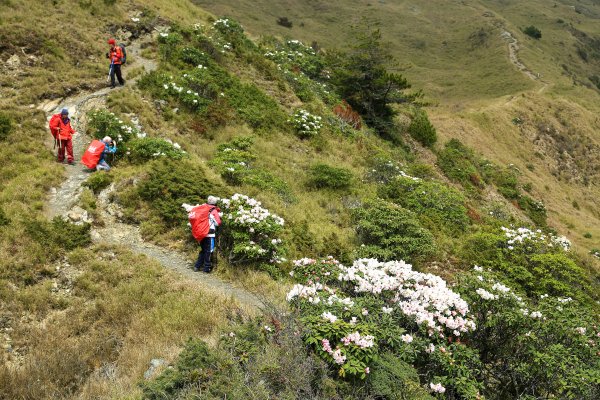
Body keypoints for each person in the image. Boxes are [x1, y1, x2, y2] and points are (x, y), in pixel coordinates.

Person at [187, 196, 221, 273]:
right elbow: (218, 222)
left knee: (203, 250)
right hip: (209, 234)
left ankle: (197, 266)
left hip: (201, 233)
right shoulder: (214, 210)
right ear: (215, 203)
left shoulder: (202, 208)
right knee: (209, 251)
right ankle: (206, 269)